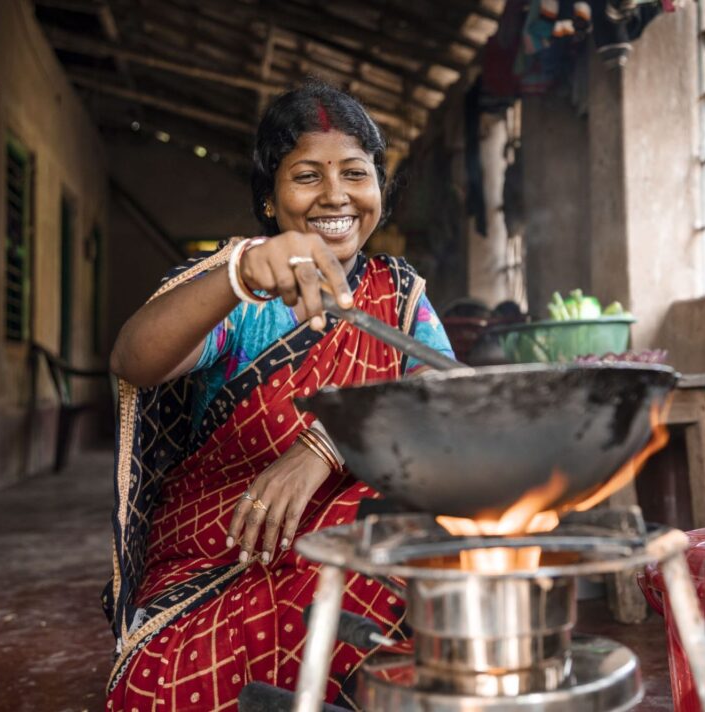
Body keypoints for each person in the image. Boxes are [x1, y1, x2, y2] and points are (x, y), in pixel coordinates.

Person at [104, 80, 455, 710]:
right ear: (268, 200)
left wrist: (325, 445)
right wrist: (237, 275)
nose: (336, 195)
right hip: (224, 558)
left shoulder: (399, 294)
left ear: (379, 188)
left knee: (419, 509)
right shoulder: (237, 294)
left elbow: (443, 403)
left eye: (355, 172)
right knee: (153, 692)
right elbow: (134, 359)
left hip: (345, 560)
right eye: (306, 176)